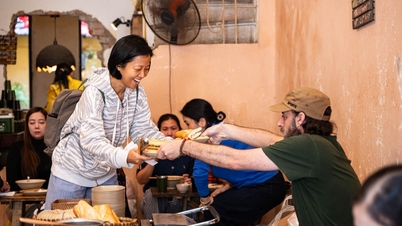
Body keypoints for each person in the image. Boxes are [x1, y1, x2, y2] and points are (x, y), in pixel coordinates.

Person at [158, 87, 361, 226]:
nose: (280, 123)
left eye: (284, 116)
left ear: (300, 118)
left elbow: (235, 161)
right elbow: (272, 140)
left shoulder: (307, 145)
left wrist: (185, 147)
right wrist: (226, 131)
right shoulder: (320, 144)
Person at [44, 34, 167, 210]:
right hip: (70, 172)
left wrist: (171, 145)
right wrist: (125, 156)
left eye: (147, 68)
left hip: (105, 174)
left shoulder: (137, 92)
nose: (143, 75)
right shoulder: (94, 92)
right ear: (119, 65)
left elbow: (143, 129)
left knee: (109, 221)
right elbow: (92, 141)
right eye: (138, 68)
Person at [180, 98, 286, 225]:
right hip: (265, 185)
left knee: (213, 210)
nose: (186, 129)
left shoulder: (211, 137)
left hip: (267, 187)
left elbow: (199, 172)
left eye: (187, 124)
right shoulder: (218, 131)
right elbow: (241, 171)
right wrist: (228, 186)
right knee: (218, 206)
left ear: (202, 122)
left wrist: (204, 199)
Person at [137, 113, 194, 219]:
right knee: (150, 194)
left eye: (173, 128)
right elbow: (141, 180)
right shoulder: (150, 150)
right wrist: (154, 160)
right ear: (158, 132)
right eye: (165, 129)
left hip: (179, 198)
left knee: (186, 203)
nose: (169, 133)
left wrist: (188, 181)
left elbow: (194, 178)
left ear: (180, 130)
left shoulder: (187, 151)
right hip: (155, 200)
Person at [6, 107, 50, 221]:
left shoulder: (54, 148)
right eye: (32, 122)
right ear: (27, 125)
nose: (36, 126)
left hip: (50, 201)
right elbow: (12, 180)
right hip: (22, 203)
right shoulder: (17, 148)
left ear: (48, 124)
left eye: (41, 122)